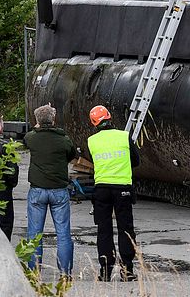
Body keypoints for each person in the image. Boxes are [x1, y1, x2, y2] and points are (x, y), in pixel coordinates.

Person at [86, 105, 141, 282]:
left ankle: (105, 271)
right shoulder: (124, 136)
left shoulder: (92, 141)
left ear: (94, 123)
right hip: (122, 188)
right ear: (110, 117)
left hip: (101, 189)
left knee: (104, 230)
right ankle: (127, 270)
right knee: (125, 229)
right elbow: (136, 161)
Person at [23, 103, 77, 276]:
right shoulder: (64, 139)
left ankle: (33, 273)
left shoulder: (31, 137)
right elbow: (71, 155)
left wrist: (39, 126)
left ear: (37, 121)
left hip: (37, 191)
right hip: (59, 191)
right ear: (54, 120)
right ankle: (65, 273)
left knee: (34, 234)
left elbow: (27, 140)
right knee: (63, 234)